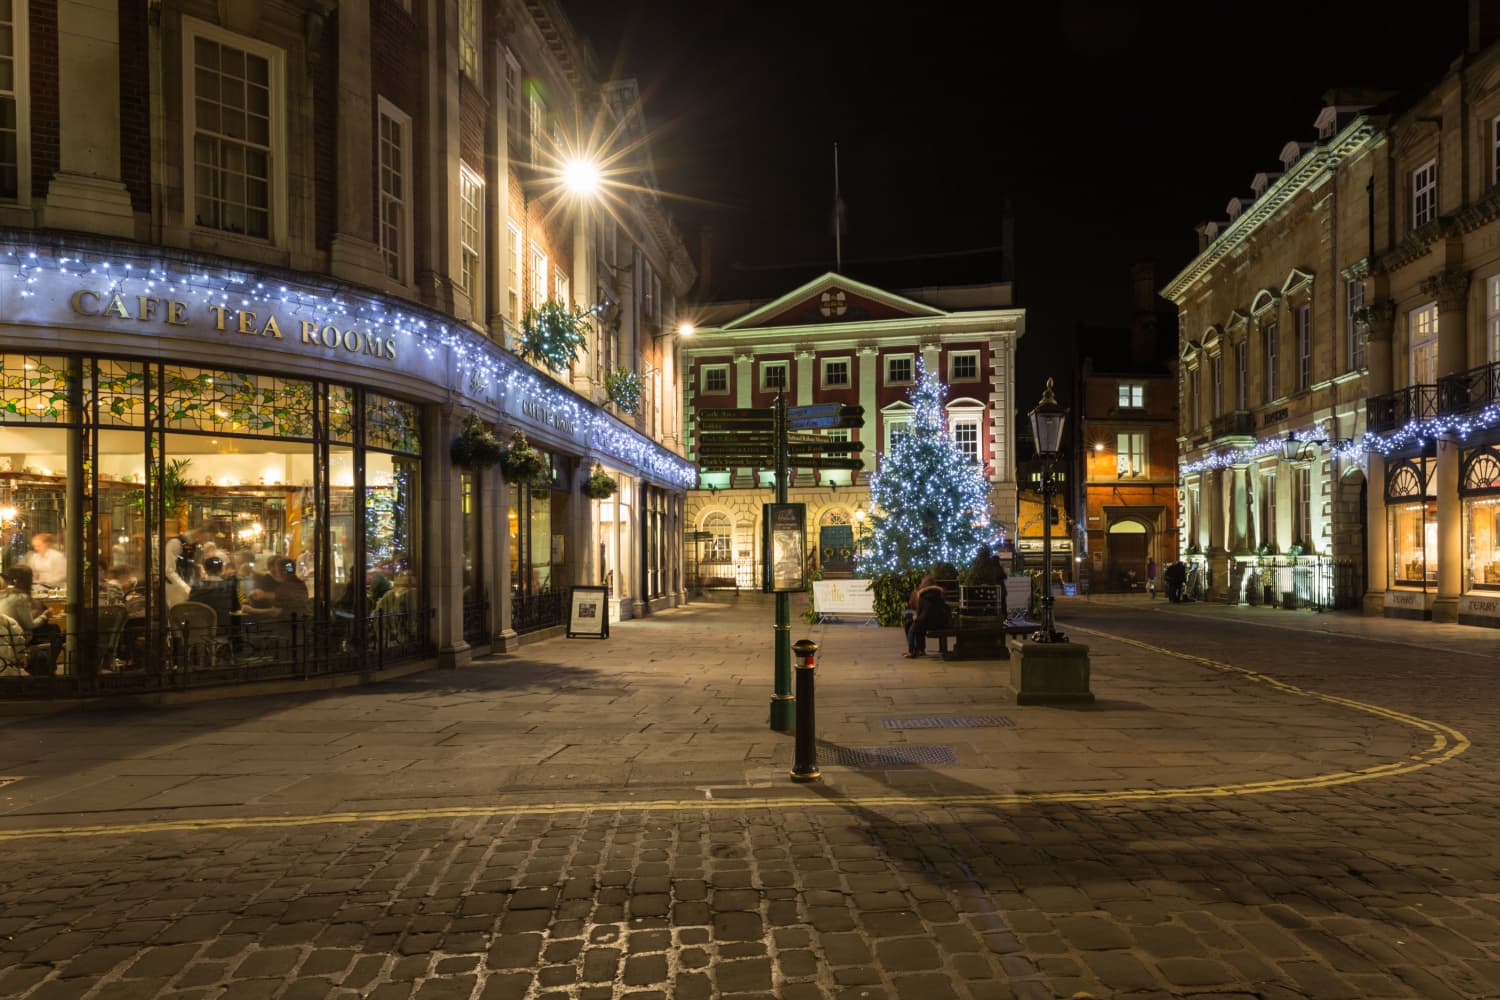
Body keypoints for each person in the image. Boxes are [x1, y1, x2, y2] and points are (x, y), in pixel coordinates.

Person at [905, 576, 950, 659]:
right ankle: (920, 649)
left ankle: (911, 651)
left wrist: (915, 617)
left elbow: (919, 612)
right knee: (913, 624)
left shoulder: (921, 596)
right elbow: (945, 608)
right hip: (939, 622)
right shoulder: (940, 594)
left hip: (925, 622)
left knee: (911, 627)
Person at [191, 556, 239, 623]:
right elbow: (236, 609)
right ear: (222, 569)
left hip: (201, 626)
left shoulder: (196, 586)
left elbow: (190, 607)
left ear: (205, 569)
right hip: (224, 625)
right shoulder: (230, 586)